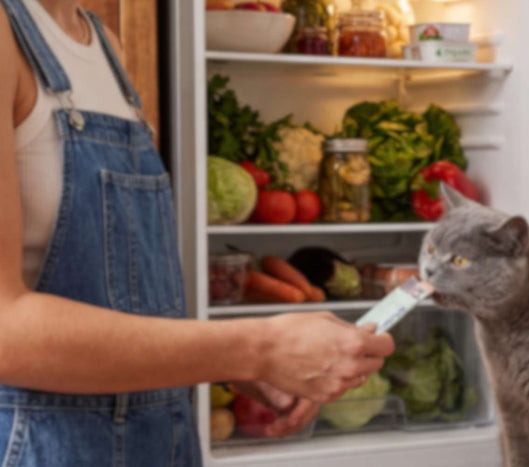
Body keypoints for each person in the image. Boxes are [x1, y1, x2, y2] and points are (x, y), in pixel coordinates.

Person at [0, 0, 395, 465]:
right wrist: (257, 348)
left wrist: (236, 365)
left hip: (163, 443)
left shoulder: (105, 44)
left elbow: (120, 297)